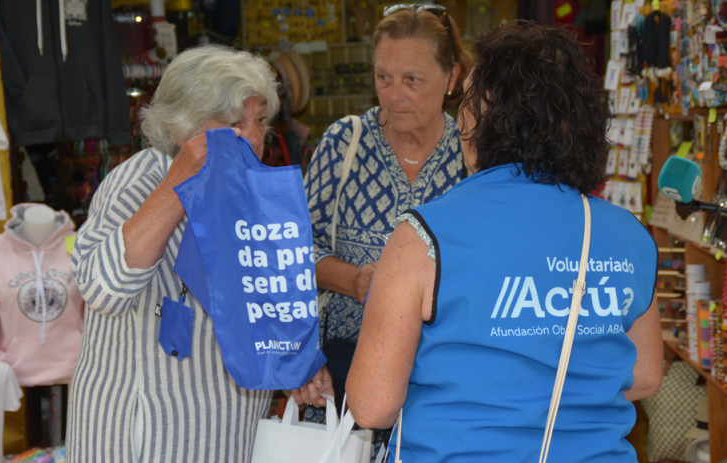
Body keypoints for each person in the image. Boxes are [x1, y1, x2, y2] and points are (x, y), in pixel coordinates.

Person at [345, 21, 664, 462]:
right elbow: (644, 377)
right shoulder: (628, 234)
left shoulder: (422, 235)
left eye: (467, 103)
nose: (459, 118)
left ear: (489, 117)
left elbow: (372, 404)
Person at [65, 45, 281, 462]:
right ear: (186, 130)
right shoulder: (140, 179)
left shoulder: (249, 191)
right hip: (147, 434)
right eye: (235, 124)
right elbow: (103, 288)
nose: (254, 140)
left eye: (260, 121)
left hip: (227, 427)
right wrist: (179, 183)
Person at [294, 3, 473, 420]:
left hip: (442, 383)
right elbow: (295, 250)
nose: (393, 94)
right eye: (383, 78)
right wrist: (353, 280)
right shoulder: (345, 143)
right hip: (342, 378)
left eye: (412, 80)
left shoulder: (470, 153)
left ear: (451, 78)